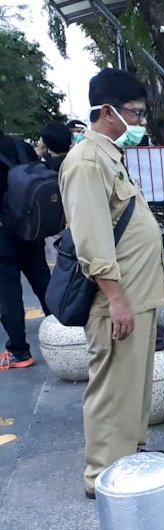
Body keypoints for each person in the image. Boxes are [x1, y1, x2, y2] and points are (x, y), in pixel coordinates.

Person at [59, 68, 164, 498]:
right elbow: (92, 240)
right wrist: (116, 299)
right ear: (108, 111)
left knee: (133, 385)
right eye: (136, 114)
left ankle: (131, 456)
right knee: (111, 387)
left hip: (137, 295)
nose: (141, 123)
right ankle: (101, 475)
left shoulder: (109, 156)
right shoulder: (87, 161)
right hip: (116, 300)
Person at [0, 131, 50, 371]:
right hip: (31, 229)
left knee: (8, 293)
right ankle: (64, 331)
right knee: (43, 282)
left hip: (3, 236)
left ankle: (19, 351)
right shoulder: (22, 147)